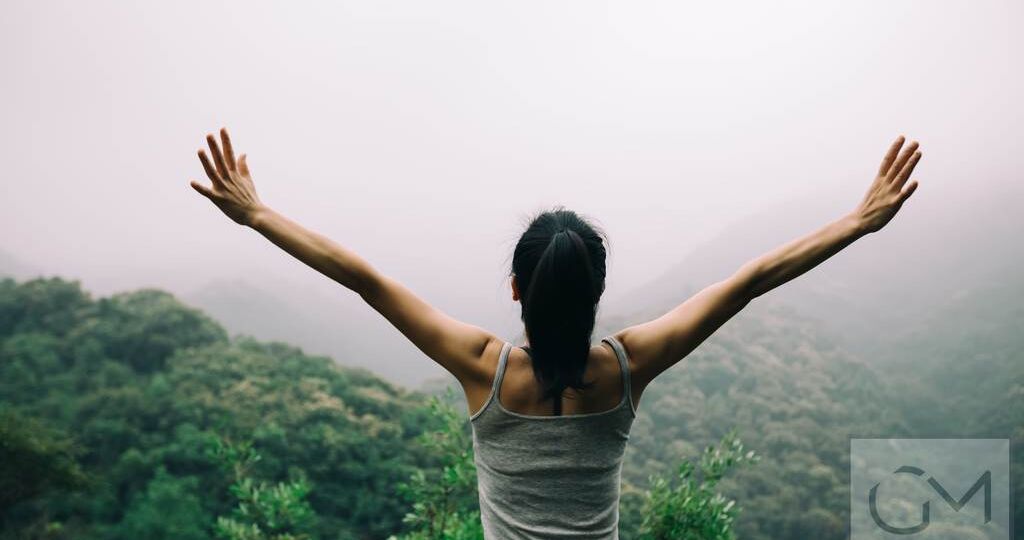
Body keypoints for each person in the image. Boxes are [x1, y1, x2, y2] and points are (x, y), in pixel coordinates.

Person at [190, 128, 921, 539]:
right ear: (599, 294)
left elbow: (365, 279)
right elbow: (753, 278)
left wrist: (258, 215)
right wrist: (856, 222)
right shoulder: (628, 368)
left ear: (516, 289)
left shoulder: (485, 368)